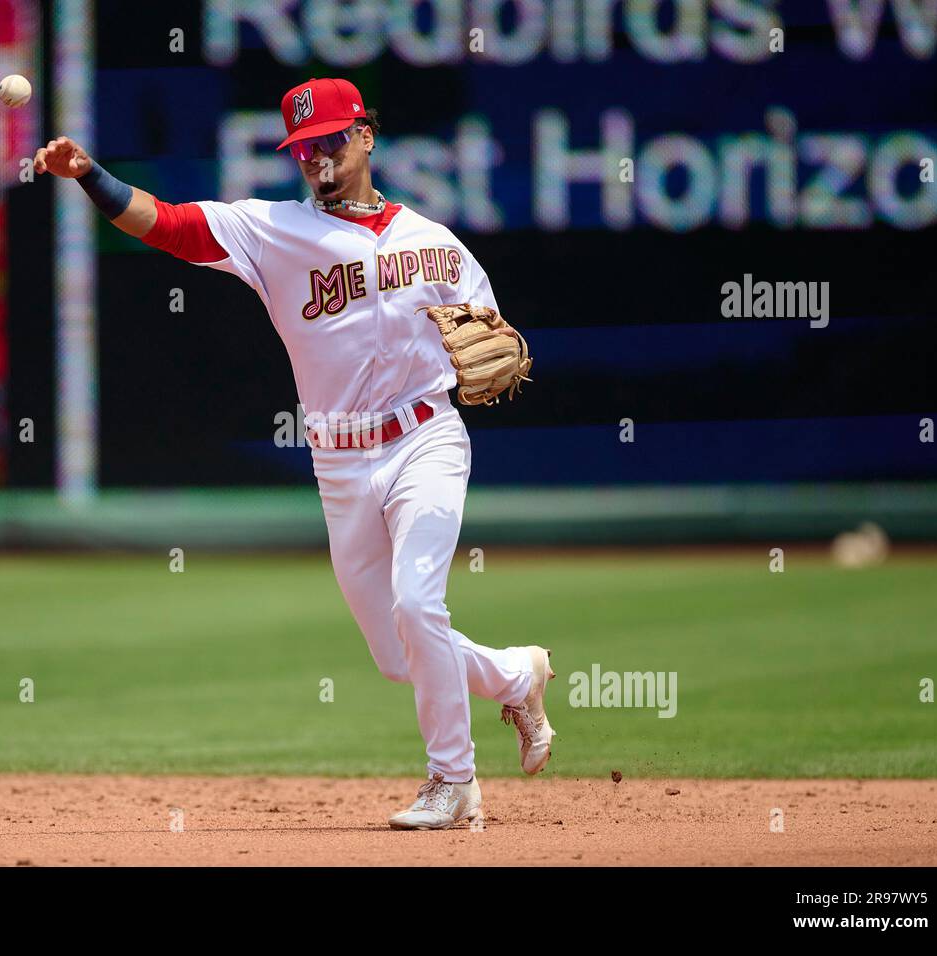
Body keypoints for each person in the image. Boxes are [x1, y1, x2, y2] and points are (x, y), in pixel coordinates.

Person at [34, 77, 555, 830]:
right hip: (340, 462)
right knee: (397, 652)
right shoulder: (271, 230)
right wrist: (90, 176)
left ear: (366, 137)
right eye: (303, 148)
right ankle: (515, 675)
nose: (317, 158)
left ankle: (453, 780)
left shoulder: (437, 244)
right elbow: (170, 225)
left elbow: (491, 333)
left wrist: (494, 347)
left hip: (425, 439)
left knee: (418, 603)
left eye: (332, 141)